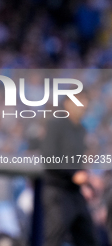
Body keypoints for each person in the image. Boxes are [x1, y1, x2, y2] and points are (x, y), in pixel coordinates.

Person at [41, 91, 97, 246]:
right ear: (67, 103)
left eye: (85, 101)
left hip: (75, 192)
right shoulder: (55, 124)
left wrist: (88, 182)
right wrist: (73, 174)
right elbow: (49, 157)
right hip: (57, 192)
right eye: (79, 101)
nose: (83, 105)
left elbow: (78, 163)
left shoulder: (81, 130)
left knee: (88, 238)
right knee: (52, 239)